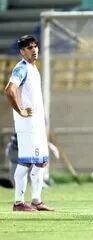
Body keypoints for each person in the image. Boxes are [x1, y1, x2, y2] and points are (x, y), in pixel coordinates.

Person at [4, 35, 54, 211]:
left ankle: (36, 200)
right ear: (22, 51)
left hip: (37, 124)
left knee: (41, 162)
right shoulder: (21, 68)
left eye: (35, 46)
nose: (34, 50)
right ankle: (18, 203)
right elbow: (10, 90)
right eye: (29, 47)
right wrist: (21, 111)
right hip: (28, 125)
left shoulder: (33, 68)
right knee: (25, 162)